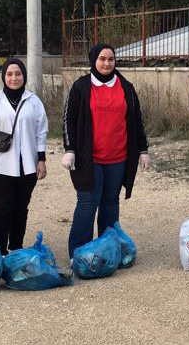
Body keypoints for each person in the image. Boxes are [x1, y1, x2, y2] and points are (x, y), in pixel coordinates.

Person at [62, 44, 150, 257]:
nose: (107, 63)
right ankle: (79, 252)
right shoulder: (81, 86)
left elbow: (136, 120)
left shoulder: (126, 87)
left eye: (111, 59)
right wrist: (70, 148)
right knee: (87, 203)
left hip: (118, 157)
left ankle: (107, 249)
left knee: (110, 202)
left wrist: (143, 150)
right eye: (102, 59)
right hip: (88, 158)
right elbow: (68, 119)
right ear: (93, 60)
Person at [0, 58, 49, 255]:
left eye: (18, 74)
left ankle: (16, 248)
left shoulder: (33, 101)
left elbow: (41, 131)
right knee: (2, 209)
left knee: (21, 209)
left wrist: (41, 159)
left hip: (27, 166)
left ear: (24, 76)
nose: (14, 78)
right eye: (9, 74)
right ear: (3, 77)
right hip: (1, 165)